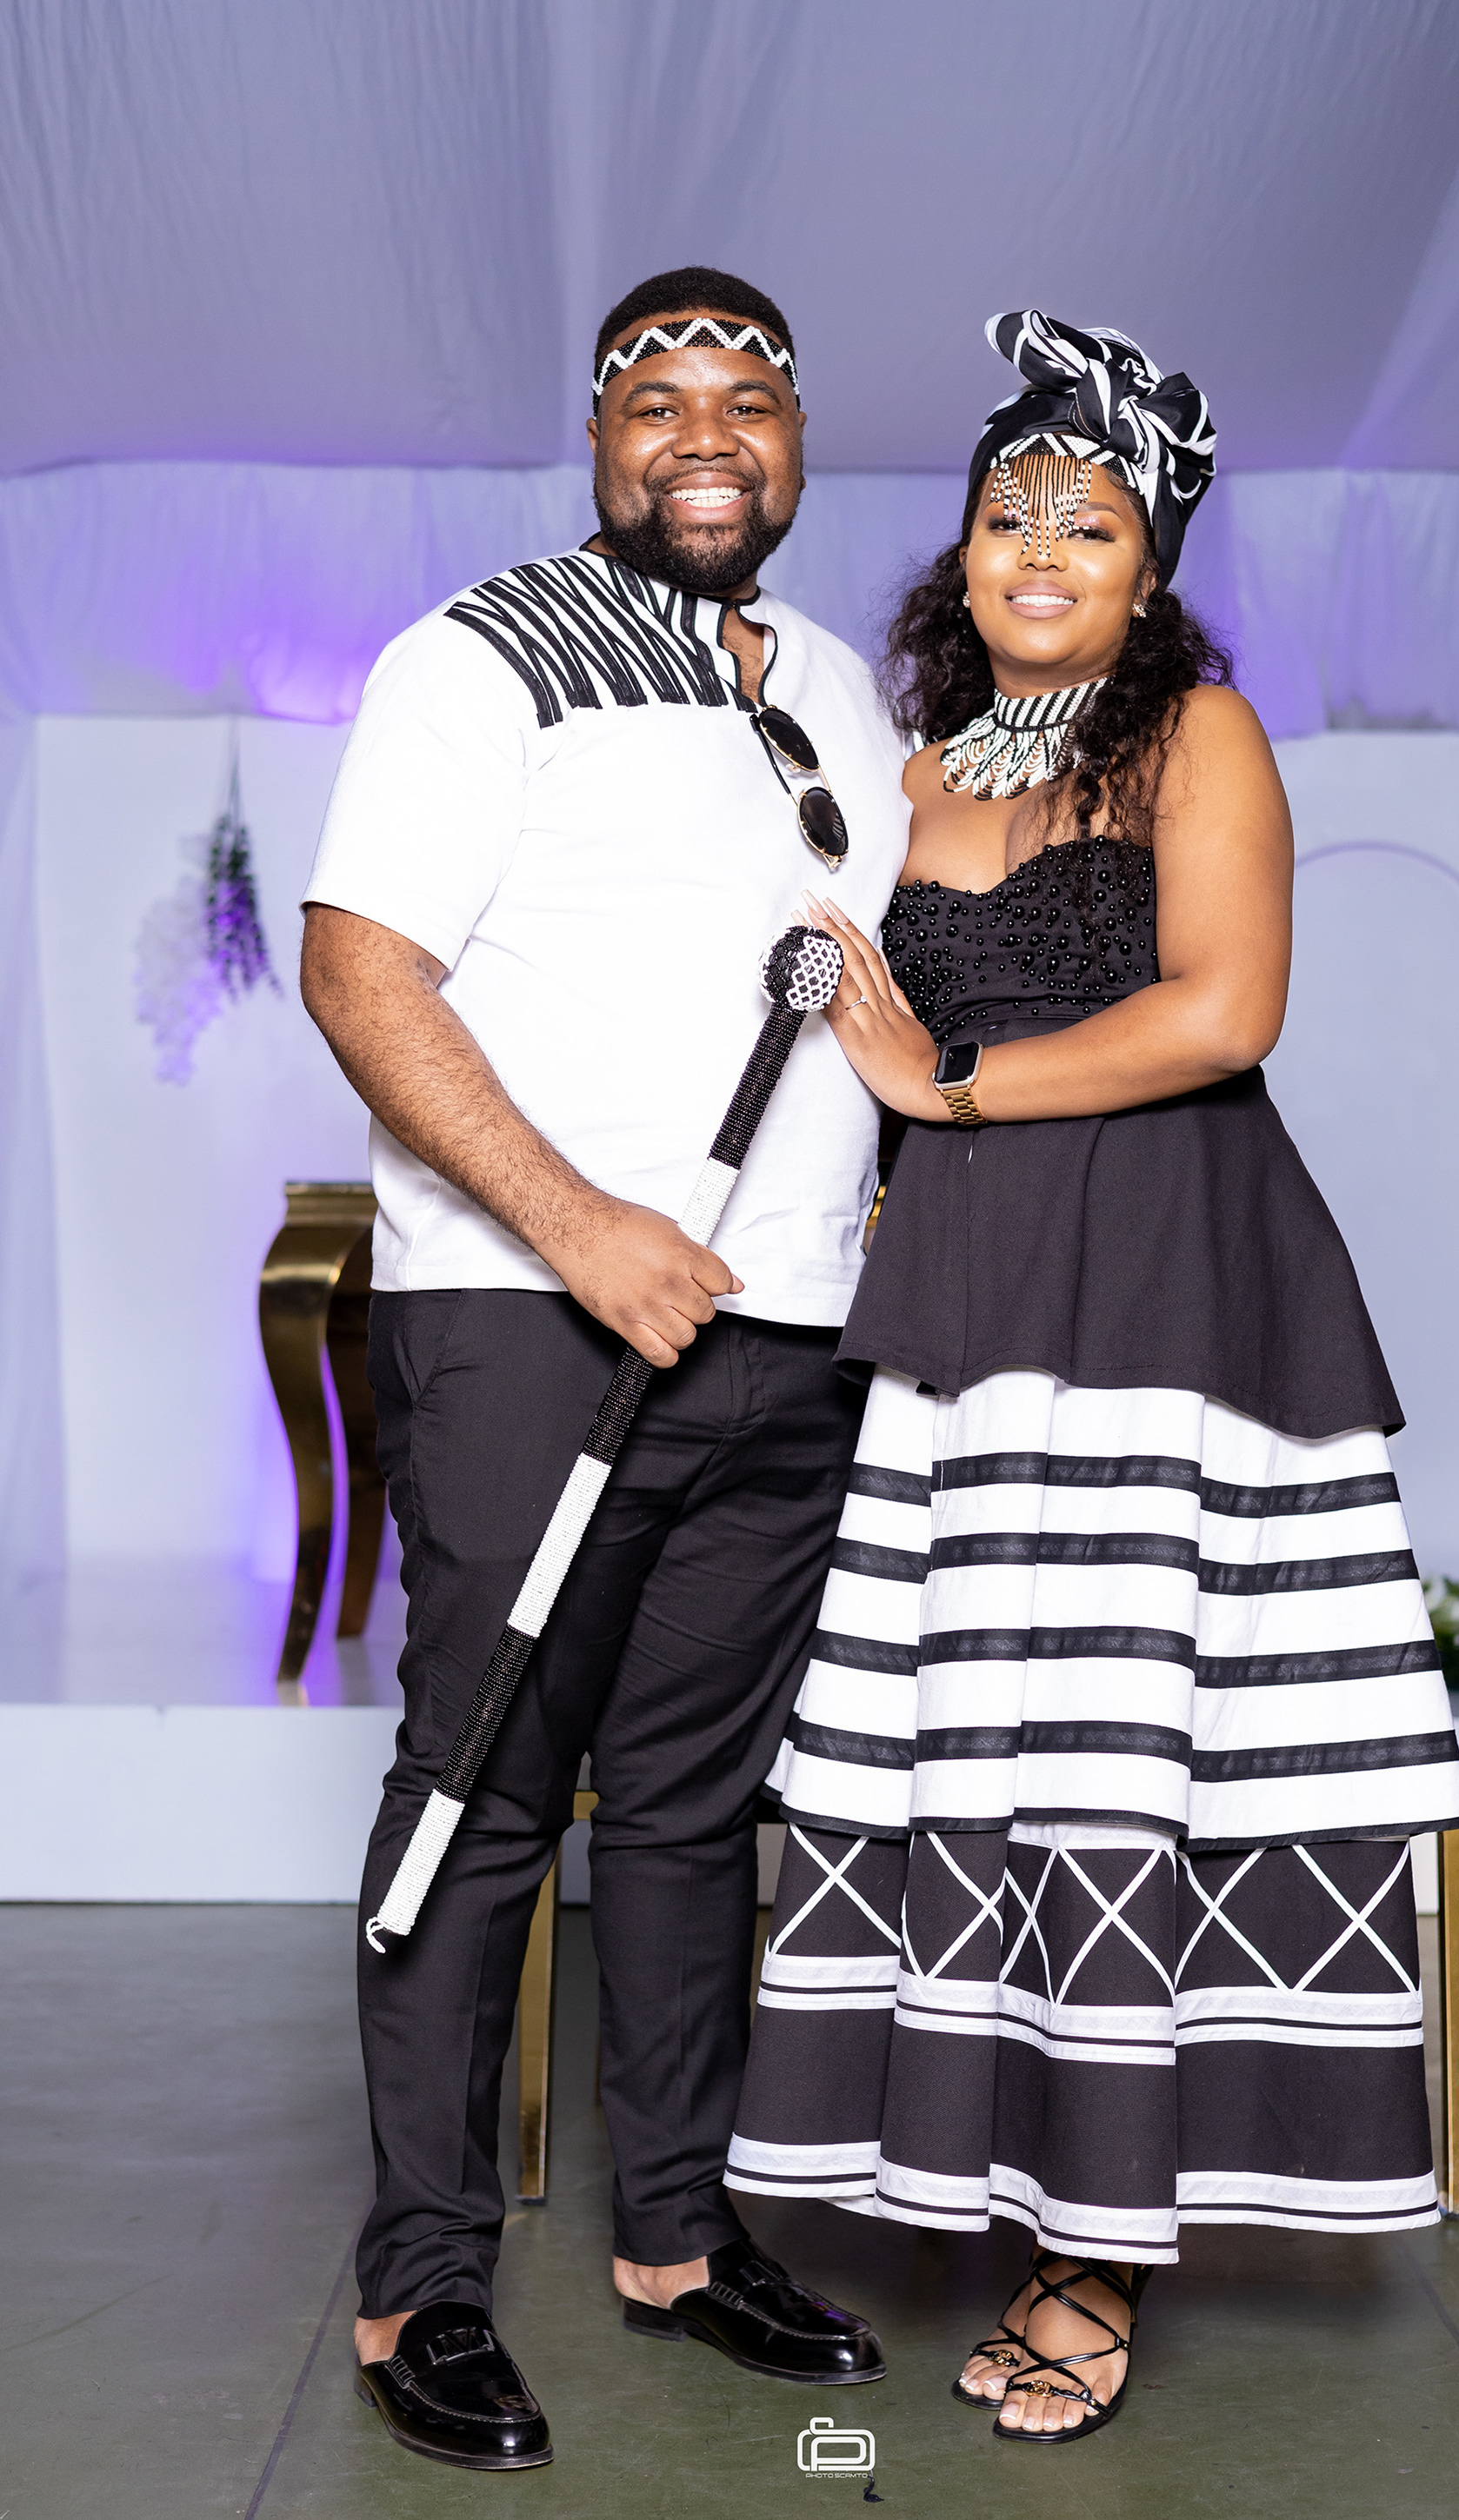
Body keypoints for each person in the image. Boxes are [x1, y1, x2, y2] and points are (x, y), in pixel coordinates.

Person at [724, 310, 1459, 2447]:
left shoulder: (1198, 736)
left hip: (1167, 1294)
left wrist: (946, 1088)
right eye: (1007, 515)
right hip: (969, 1308)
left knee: (1129, 1760)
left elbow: (1226, 1014)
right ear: (959, 551)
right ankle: (997, 2170)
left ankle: (1096, 2254)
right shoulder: (919, 770)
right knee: (980, 1753)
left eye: (1089, 521)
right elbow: (855, 1029)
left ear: (1150, 569)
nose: (1039, 550)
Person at [299, 266, 901, 2472]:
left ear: (799, 438)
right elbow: (360, 970)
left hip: (788, 1341)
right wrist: (579, 1227)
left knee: (691, 1806)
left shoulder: (837, 685)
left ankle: (676, 2232)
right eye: (661, 399)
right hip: (532, 1322)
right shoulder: (483, 656)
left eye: (750, 396)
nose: (706, 433)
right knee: (479, 1797)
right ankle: (423, 2281)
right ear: (598, 437)